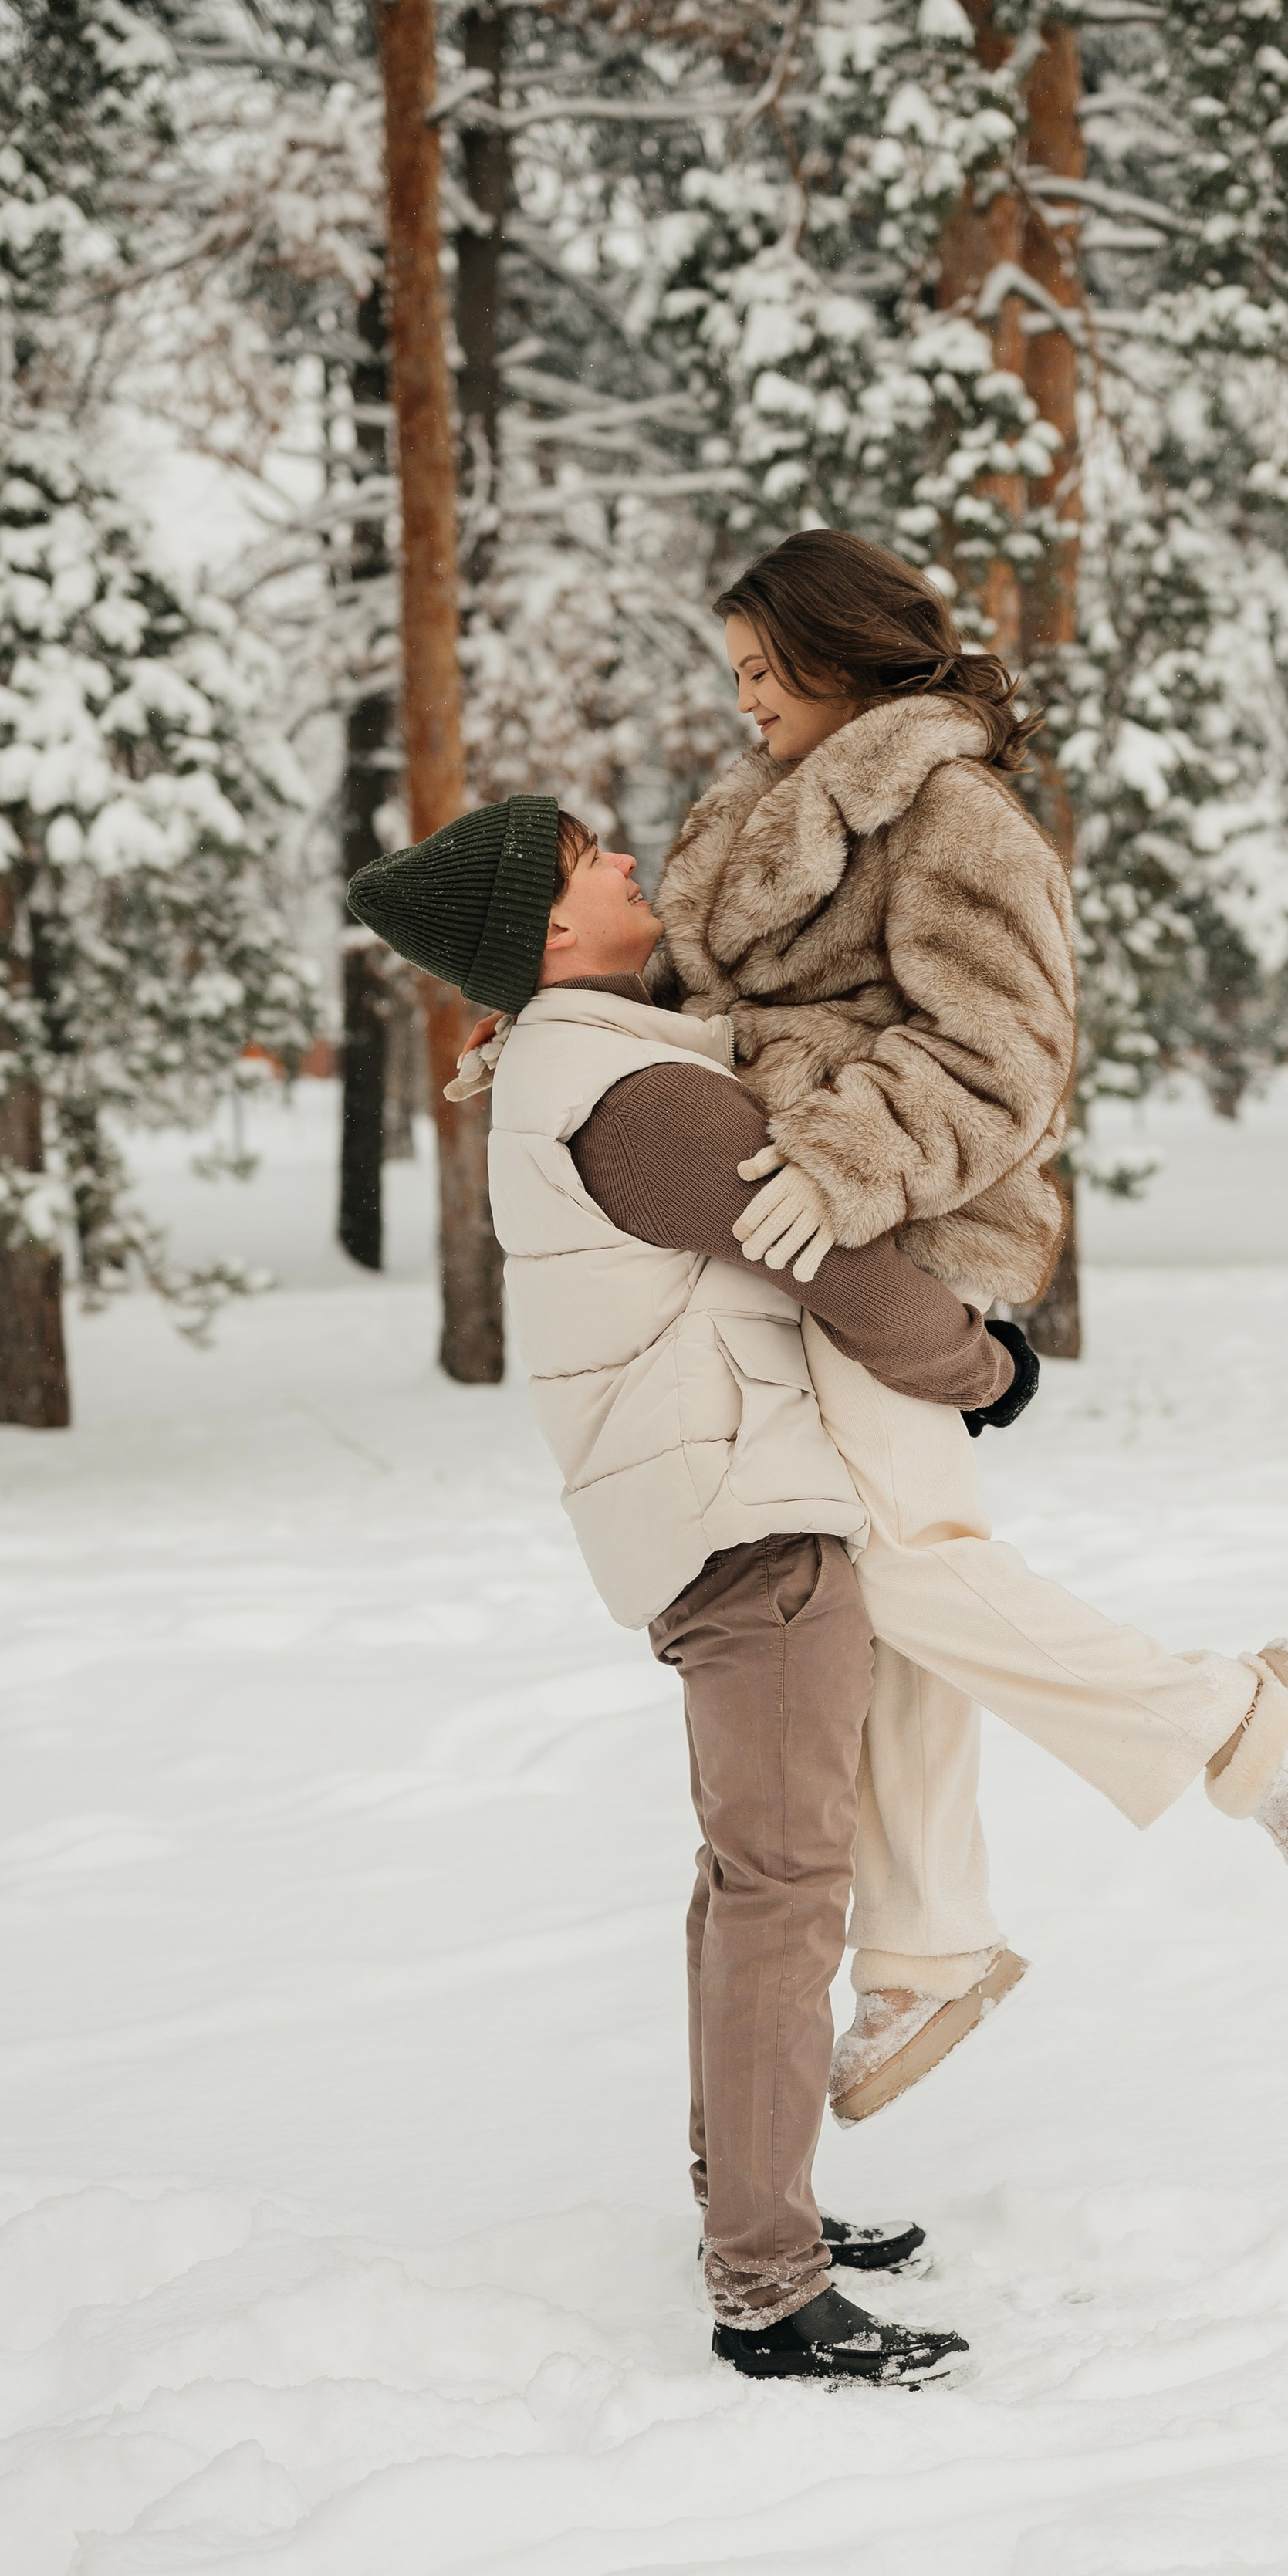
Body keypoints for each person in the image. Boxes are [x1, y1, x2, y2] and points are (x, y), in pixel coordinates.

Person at [647, 531, 1288, 2122]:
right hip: (786, 1243)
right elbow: (691, 1004)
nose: (748, 698)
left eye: (768, 669)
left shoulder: (953, 816)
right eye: (737, 675)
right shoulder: (749, 824)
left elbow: (1002, 1055)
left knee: (903, 1573)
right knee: (881, 1580)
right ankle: (923, 1944)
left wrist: (844, 1159)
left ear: (848, 659)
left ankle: (1231, 1718)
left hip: (887, 1236)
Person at [349, 794, 1028, 2385]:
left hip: (718, 1501)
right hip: (747, 1518)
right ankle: (767, 2284)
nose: (625, 862)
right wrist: (982, 1364)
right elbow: (830, 1257)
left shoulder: (589, 1065)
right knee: (783, 1888)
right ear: (545, 935)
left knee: (754, 1882)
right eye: (589, 859)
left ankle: (754, 2200)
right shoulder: (628, 1096)